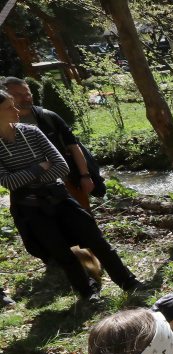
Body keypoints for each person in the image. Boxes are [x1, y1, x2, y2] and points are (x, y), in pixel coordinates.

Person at [0, 90, 140, 303]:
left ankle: (128, 282)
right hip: (30, 208)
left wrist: (26, 177)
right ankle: (88, 293)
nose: (17, 110)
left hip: (59, 197)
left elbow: (61, 166)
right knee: (61, 253)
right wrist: (39, 167)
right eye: (9, 107)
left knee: (97, 241)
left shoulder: (33, 132)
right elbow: (7, 182)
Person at [2, 77, 103, 211]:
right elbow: (8, 181)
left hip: (67, 181)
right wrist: (38, 172)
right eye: (18, 95)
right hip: (30, 197)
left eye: (27, 93)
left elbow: (73, 146)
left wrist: (85, 176)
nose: (26, 98)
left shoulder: (47, 117)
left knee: (83, 219)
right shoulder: (4, 132)